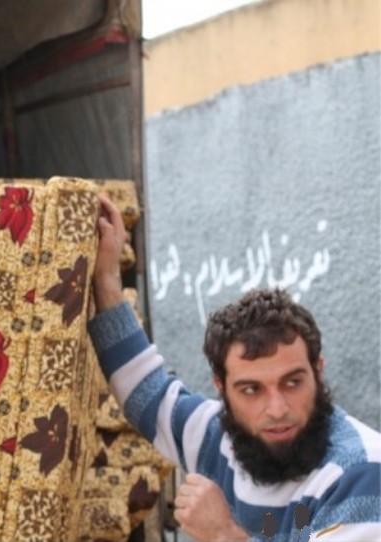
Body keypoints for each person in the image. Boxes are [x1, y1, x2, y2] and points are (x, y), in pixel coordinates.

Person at [89, 195, 380, 541]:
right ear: (221, 387)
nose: (277, 409)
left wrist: (224, 534)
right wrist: (106, 277)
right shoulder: (216, 440)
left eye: (292, 382)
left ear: (318, 371)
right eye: (251, 390)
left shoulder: (359, 472)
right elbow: (146, 393)